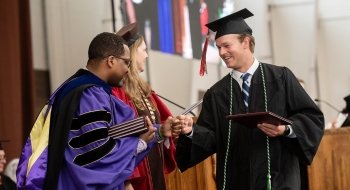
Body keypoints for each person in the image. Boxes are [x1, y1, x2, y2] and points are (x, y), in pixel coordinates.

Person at [175, 8, 325, 190]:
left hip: (278, 181)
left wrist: (285, 129)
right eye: (218, 47)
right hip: (236, 182)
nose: (222, 52)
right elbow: (211, 138)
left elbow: (311, 117)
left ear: (245, 42)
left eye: (227, 45)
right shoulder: (217, 93)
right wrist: (191, 131)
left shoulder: (281, 78)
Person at [16, 32, 174, 190]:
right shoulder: (91, 95)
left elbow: (113, 133)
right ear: (111, 61)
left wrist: (158, 132)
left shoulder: (76, 88)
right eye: (126, 62)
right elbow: (98, 153)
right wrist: (139, 143)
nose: (128, 69)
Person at [112, 23, 177, 190]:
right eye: (144, 50)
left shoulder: (143, 89)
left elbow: (159, 125)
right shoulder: (118, 93)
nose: (147, 55)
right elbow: (120, 138)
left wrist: (168, 130)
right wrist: (126, 182)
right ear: (133, 54)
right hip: (136, 179)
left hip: (154, 169)